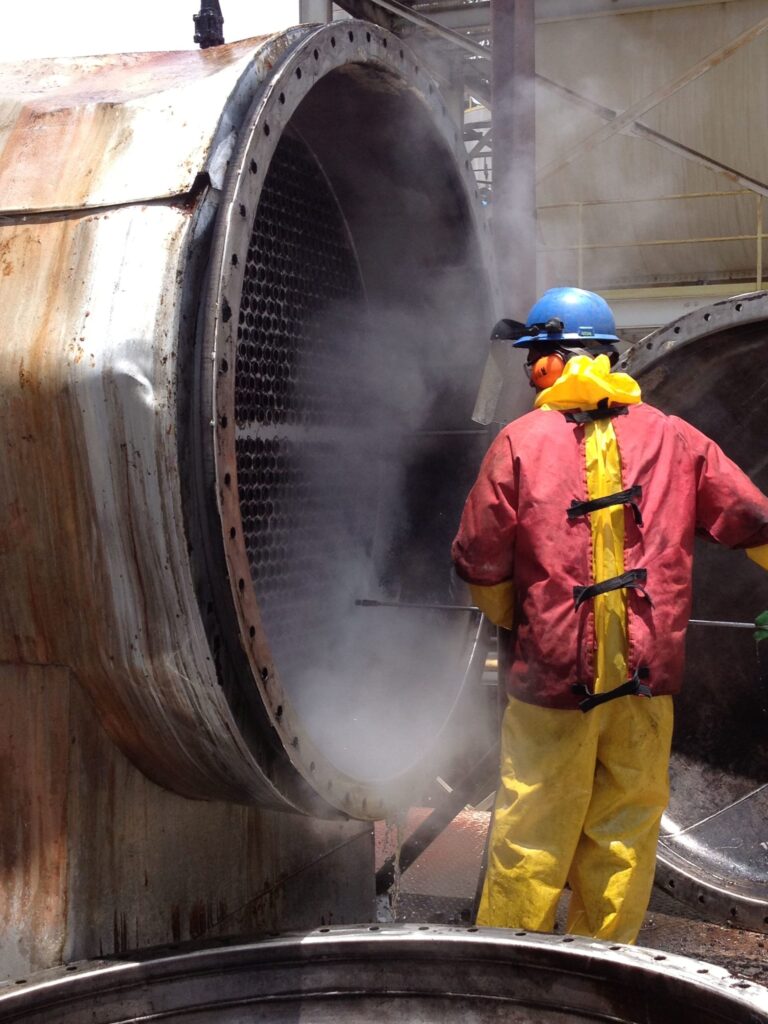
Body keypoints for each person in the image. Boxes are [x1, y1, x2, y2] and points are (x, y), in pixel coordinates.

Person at [451, 286, 768, 944]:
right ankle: (600, 974)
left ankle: (511, 977)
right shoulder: (676, 439)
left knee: (532, 834)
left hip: (550, 693)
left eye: (532, 358)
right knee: (623, 837)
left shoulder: (521, 442)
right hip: (644, 692)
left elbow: (479, 560)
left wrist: (529, 624)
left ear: (550, 360)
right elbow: (752, 522)